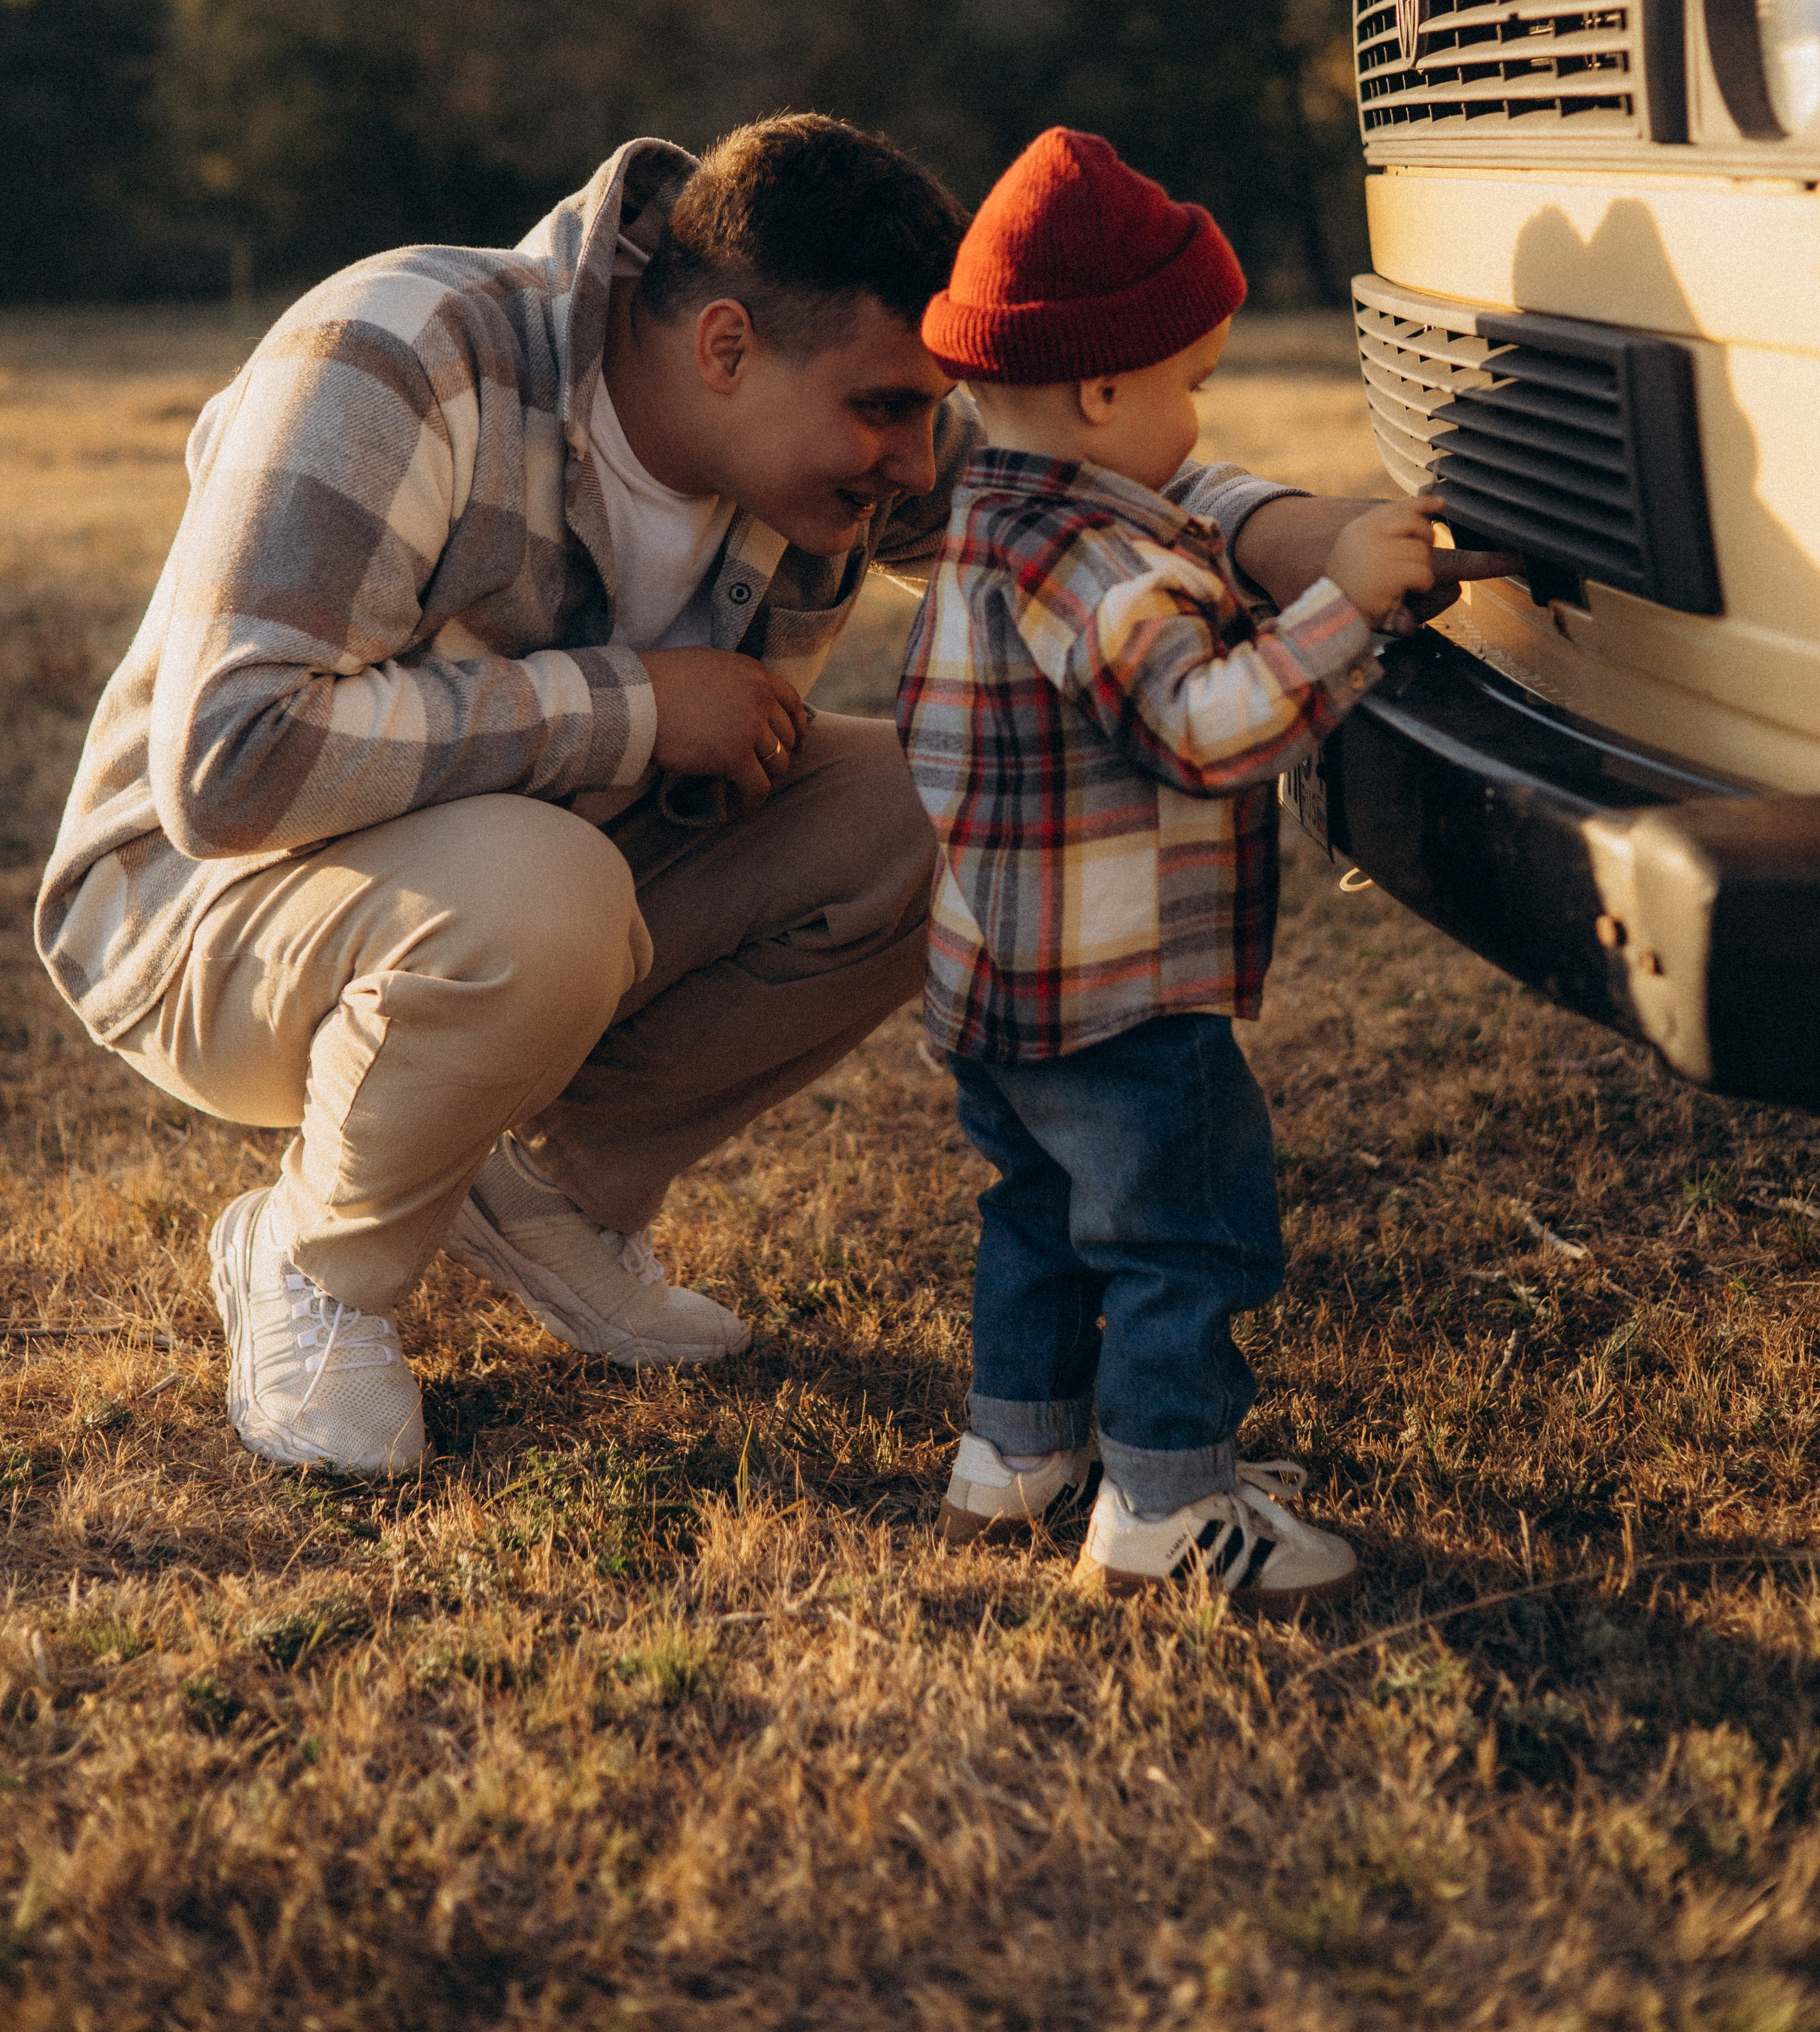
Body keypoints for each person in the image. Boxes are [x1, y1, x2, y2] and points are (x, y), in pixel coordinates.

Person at [35, 111, 1484, 1486]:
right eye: (888, 413)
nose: (920, 467)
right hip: (204, 919)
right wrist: (640, 702)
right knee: (545, 891)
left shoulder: (833, 414)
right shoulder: (403, 350)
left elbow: (1068, 481)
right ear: (724, 343)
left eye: (933, 416)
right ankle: (311, 1261)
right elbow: (230, 760)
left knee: (947, 806)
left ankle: (556, 1201)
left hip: (539, 889)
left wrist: (1311, 538)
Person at [896, 129, 1446, 1609]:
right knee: (1177, 1239)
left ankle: (1011, 1460)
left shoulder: (986, 529)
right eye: (1187, 383)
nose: (1196, 414)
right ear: (1098, 390)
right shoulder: (1102, 565)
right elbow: (1204, 732)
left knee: (1034, 1211)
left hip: (993, 985)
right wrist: (1342, 610)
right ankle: (1165, 1505)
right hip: (1119, 994)